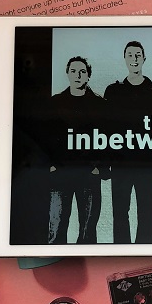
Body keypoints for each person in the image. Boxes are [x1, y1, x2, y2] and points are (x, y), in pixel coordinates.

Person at [104, 41, 152, 243]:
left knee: (146, 212)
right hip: (121, 163)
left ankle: (144, 251)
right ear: (125, 59)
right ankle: (121, 251)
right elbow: (106, 129)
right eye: (130, 55)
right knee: (120, 212)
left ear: (144, 58)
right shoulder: (113, 92)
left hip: (147, 165)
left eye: (138, 54)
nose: (134, 59)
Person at [49, 56, 106, 244]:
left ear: (88, 75)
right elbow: (45, 137)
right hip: (60, 173)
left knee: (88, 231)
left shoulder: (99, 104)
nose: (77, 75)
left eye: (82, 72)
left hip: (88, 174)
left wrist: (98, 168)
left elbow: (107, 139)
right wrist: (51, 165)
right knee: (56, 229)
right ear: (67, 74)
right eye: (73, 71)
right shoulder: (55, 102)